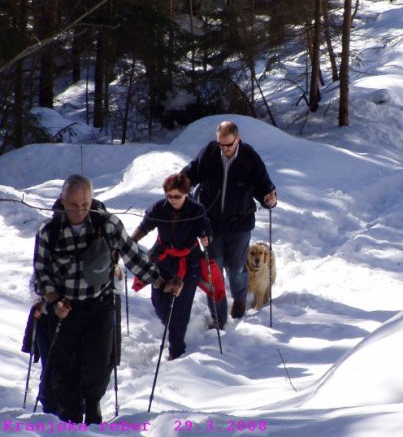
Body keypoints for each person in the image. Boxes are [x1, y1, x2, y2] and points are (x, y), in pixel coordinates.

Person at [33, 174, 161, 425]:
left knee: (99, 364)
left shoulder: (107, 224)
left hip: (99, 304)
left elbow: (132, 254)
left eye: (85, 203)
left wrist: (160, 281)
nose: (79, 210)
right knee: (65, 368)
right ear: (62, 200)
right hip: (65, 308)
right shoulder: (49, 232)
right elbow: (41, 273)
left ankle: (93, 412)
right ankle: (69, 418)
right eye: (73, 204)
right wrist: (54, 300)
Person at [181, 120, 277, 327]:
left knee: (235, 268)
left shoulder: (250, 158)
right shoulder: (209, 152)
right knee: (212, 269)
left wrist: (270, 198)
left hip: (239, 225)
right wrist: (180, 184)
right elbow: (191, 173)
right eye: (220, 144)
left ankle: (240, 299)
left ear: (237, 139)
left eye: (228, 145)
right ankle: (218, 316)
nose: (223, 149)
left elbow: (264, 186)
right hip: (211, 224)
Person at [130, 173, 212, 360]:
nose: (173, 200)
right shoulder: (159, 208)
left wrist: (206, 237)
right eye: (169, 196)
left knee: (180, 308)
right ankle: (174, 327)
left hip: (188, 261)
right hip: (163, 257)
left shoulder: (196, 209)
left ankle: (177, 349)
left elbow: (205, 228)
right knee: (159, 303)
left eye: (177, 196)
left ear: (186, 193)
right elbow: (145, 226)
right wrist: (130, 242)